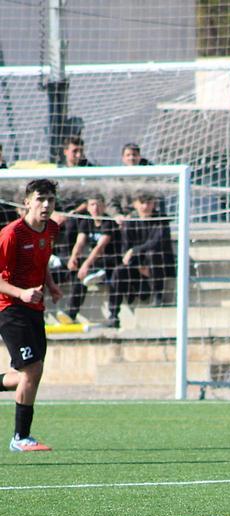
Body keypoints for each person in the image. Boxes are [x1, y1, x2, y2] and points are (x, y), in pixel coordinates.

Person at [0, 179, 63, 452]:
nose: (46, 204)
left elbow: (42, 259)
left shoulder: (52, 229)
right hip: (8, 307)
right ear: (27, 202)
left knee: (31, 373)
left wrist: (50, 285)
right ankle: (20, 438)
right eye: (40, 199)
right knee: (32, 369)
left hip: (34, 308)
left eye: (50, 199)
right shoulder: (11, 234)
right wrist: (21, 293)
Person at [65, 195, 122, 326]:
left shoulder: (109, 222)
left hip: (111, 260)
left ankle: (98, 274)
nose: (95, 208)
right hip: (95, 261)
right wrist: (73, 257)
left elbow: (100, 247)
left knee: (85, 270)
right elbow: (79, 242)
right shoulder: (87, 221)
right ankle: (71, 314)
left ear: (104, 206)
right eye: (92, 205)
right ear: (88, 207)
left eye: (98, 204)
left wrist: (85, 265)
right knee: (77, 272)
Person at [114, 193, 174, 309]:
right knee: (118, 272)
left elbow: (156, 243)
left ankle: (158, 297)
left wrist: (134, 250)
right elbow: (125, 249)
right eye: (142, 203)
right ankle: (114, 315)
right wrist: (138, 265)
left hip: (159, 264)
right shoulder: (131, 221)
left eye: (149, 203)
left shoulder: (162, 220)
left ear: (154, 204)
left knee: (152, 255)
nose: (145, 206)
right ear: (135, 204)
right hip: (137, 265)